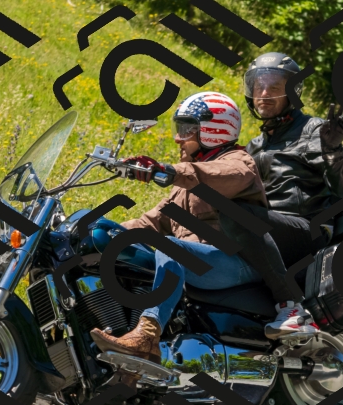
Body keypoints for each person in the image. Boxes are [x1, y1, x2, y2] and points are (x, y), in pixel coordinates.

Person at [89, 91, 318, 364]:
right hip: (203, 262)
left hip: (238, 262)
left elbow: (218, 176)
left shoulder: (238, 163)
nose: (178, 138)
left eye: (186, 130)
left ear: (213, 130)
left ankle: (147, 335)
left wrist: (169, 171)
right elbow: (150, 222)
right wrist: (101, 230)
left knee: (170, 248)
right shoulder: (184, 186)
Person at [217, 52, 343, 340]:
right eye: (258, 86)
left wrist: (333, 151)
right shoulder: (255, 145)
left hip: (306, 230)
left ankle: (291, 307)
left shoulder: (314, 131)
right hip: (269, 230)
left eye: (274, 87)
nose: (264, 94)